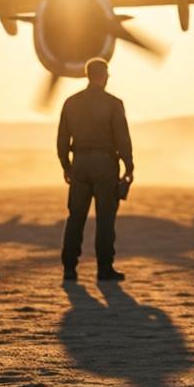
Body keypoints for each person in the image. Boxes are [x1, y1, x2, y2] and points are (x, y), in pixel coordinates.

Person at [57, 58, 134, 282]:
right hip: (105, 165)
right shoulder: (113, 103)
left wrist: (66, 165)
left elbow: (62, 138)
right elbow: (122, 138)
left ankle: (69, 269)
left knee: (76, 218)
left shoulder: (71, 102)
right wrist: (128, 165)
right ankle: (104, 268)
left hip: (80, 164)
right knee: (105, 219)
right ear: (104, 75)